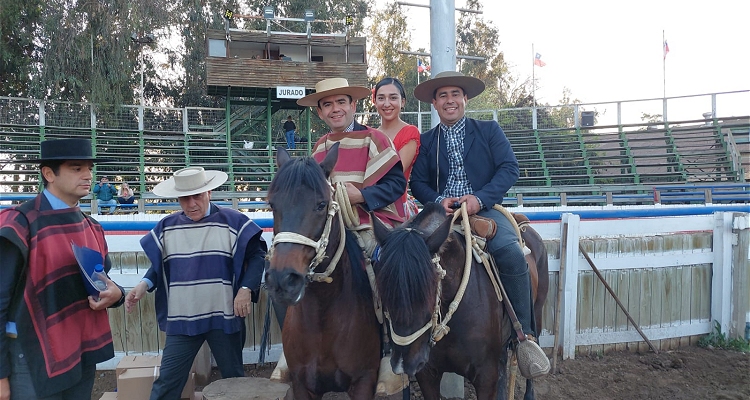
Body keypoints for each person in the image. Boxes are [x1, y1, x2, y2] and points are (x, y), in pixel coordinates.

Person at [410, 70, 550, 379]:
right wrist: (437, 200)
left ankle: (523, 335)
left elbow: (509, 168)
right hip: (442, 213)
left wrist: (479, 198)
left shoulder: (488, 130)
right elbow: (417, 181)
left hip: (485, 209)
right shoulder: (425, 141)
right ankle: (404, 339)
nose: (450, 100)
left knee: (512, 253)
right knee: (406, 252)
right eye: (443, 95)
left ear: (465, 99)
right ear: (434, 103)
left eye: (455, 94)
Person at [276, 77, 407, 395]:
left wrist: (360, 195)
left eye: (341, 102)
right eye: (327, 105)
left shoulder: (374, 140)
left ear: (353, 105)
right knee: (286, 273)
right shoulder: (320, 147)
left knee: (386, 272)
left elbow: (395, 186)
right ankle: (290, 348)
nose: (335, 109)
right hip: (329, 228)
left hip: (368, 224)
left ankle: (392, 352)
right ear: (320, 112)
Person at [124, 166, 267, 400]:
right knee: (167, 381)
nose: (191, 204)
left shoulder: (234, 222)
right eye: (184, 198)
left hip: (224, 315)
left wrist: (245, 289)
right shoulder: (167, 227)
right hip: (183, 317)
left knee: (234, 381)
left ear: (209, 193)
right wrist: (144, 284)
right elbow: (162, 265)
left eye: (197, 196)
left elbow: (257, 256)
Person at [0, 138, 126, 400]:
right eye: (76, 168)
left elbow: (104, 285)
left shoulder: (92, 227)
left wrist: (118, 295)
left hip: (79, 351)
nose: (88, 175)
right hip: (30, 354)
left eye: (89, 168)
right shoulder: (20, 225)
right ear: (49, 174)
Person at [374, 77, 421, 217]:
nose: (387, 103)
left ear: (403, 101)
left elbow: (396, 173)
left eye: (393, 97)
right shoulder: (371, 134)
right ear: (375, 102)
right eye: (381, 98)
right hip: (370, 203)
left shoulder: (410, 132)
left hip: (395, 207)